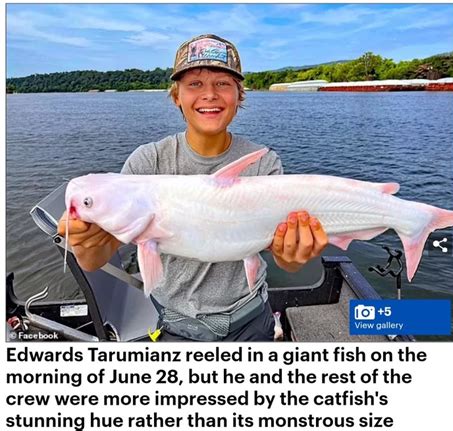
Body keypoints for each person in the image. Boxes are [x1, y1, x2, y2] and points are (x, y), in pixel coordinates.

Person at [58, 34, 328, 341]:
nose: (209, 94)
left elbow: (284, 258)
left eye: (223, 84)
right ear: (176, 96)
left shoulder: (263, 164)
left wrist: (293, 254)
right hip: (174, 325)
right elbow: (95, 259)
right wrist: (83, 244)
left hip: (250, 319)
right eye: (194, 84)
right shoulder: (148, 162)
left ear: (239, 96)